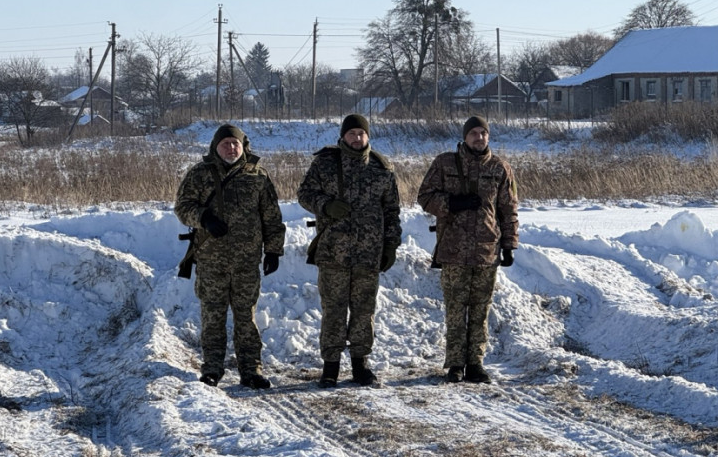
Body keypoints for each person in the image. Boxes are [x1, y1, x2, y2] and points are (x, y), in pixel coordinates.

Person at [175, 124, 286, 389]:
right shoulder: (200, 174)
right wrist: (204, 218)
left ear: (243, 146)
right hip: (211, 259)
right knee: (213, 316)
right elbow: (182, 206)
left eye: (235, 144)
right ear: (216, 146)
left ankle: (251, 370)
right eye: (225, 144)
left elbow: (272, 216)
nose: (231, 148)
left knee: (246, 317)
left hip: (247, 262)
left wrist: (273, 250)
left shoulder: (257, 175)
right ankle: (212, 368)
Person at [298, 114, 401, 388]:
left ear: (368, 137)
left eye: (361, 134)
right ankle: (330, 367)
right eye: (352, 134)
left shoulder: (382, 168)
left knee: (364, 310)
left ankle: (360, 365)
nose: (357, 138)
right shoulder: (325, 164)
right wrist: (325, 204)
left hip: (369, 254)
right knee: (333, 309)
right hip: (333, 252)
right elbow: (304, 193)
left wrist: (391, 244)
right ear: (343, 136)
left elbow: (392, 210)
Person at [417, 116, 519, 384]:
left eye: (483, 133)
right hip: (453, 250)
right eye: (473, 133)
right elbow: (424, 197)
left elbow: (509, 209)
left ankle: (475, 363)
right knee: (455, 309)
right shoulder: (445, 163)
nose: (479, 137)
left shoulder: (500, 168)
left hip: (486, 252)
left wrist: (509, 244)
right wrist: (453, 203)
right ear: (465, 136)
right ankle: (455, 365)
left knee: (480, 310)